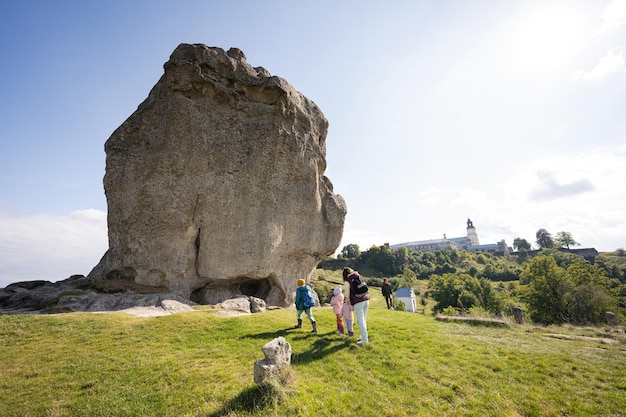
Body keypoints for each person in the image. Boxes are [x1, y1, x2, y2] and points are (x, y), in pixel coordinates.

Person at [343, 267, 370, 345]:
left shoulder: (348, 281)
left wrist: (348, 302)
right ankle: (363, 336)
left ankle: (365, 340)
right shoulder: (357, 276)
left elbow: (347, 294)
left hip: (358, 301)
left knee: (360, 321)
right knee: (364, 320)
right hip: (366, 299)